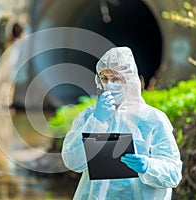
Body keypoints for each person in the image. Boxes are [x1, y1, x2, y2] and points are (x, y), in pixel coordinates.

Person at [61, 47, 182, 200]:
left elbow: (174, 174)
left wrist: (148, 166)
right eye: (104, 78)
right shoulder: (89, 116)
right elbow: (72, 161)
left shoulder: (152, 119)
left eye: (116, 79)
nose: (110, 84)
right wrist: (97, 122)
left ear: (130, 79)